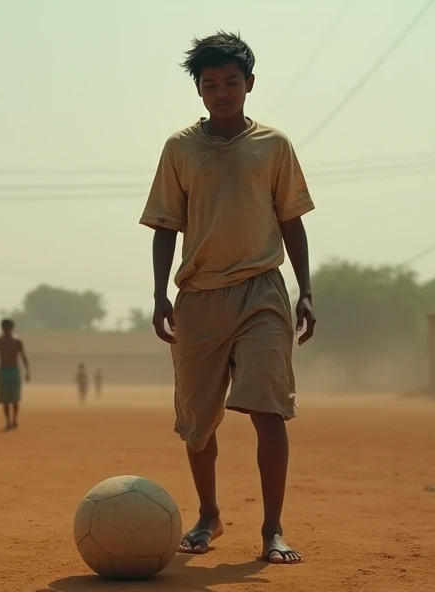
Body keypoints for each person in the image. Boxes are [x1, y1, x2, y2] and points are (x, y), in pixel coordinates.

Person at [140, 32, 316, 564]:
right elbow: (165, 226)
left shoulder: (274, 145)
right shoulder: (179, 148)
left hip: (263, 290)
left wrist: (305, 290)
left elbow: (292, 221)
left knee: (269, 411)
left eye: (231, 82)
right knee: (198, 424)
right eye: (210, 83)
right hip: (198, 295)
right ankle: (209, 514)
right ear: (199, 90)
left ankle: (272, 529)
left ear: (249, 85)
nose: (221, 92)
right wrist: (158, 293)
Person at [0, 319, 30, 430]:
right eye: (5, 327)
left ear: (12, 328)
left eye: (9, 327)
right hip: (3, 371)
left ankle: (14, 419)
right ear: (2, 328)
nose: (7, 330)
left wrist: (27, 371)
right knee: (5, 400)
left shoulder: (17, 342)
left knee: (15, 399)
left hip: (14, 371)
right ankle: (8, 421)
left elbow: (23, 356)